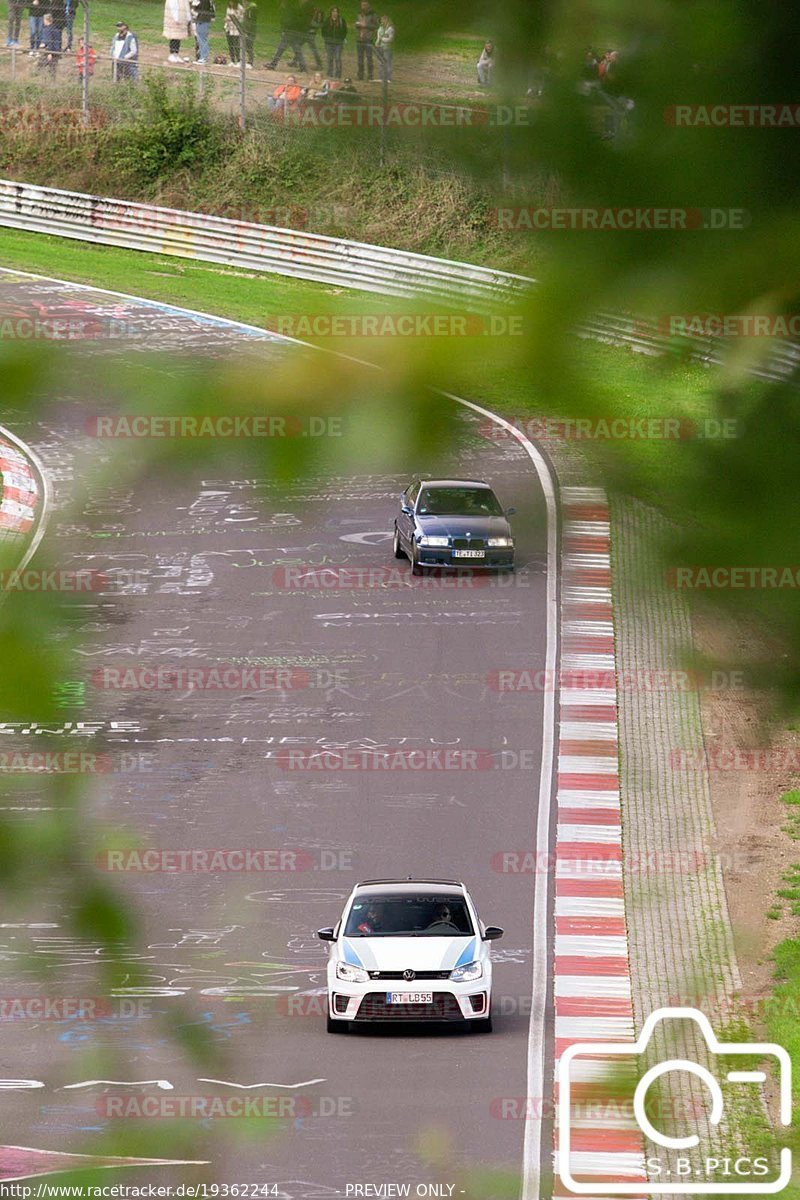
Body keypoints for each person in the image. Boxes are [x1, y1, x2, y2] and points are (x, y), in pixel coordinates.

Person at [266, 0, 305, 72]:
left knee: (281, 49)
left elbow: (288, 22)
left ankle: (273, 64)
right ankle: (303, 67)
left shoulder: (288, 10)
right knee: (296, 50)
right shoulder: (290, 9)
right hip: (292, 32)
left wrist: (284, 30)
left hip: (289, 33)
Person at [295, 1, 322, 68]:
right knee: (297, 46)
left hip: (310, 34)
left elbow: (318, 24)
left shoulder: (316, 11)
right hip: (306, 33)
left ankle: (319, 64)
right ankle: (294, 61)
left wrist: (310, 25)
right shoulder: (309, 10)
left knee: (312, 49)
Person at [354, 0, 376, 80]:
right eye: (362, 5)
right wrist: (357, 25)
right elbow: (357, 23)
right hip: (359, 39)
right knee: (360, 59)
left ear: (368, 5)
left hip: (368, 39)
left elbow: (375, 26)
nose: (363, 6)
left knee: (369, 58)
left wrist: (366, 25)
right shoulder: (359, 13)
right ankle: (360, 75)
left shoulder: (373, 14)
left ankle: (370, 75)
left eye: (365, 5)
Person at [321, 5, 345, 79]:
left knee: (337, 58)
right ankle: (330, 73)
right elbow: (323, 30)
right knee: (330, 58)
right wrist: (326, 38)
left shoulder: (341, 20)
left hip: (338, 43)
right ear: (331, 12)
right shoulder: (327, 20)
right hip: (329, 43)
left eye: (336, 11)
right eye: (333, 11)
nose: (335, 13)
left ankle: (338, 74)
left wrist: (341, 38)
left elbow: (345, 31)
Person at [190, 0, 215, 65]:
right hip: (204, 20)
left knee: (202, 39)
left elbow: (194, 11)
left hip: (202, 20)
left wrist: (195, 15)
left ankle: (203, 58)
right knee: (201, 39)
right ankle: (202, 57)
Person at [374, 12, 392, 83]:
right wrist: (377, 42)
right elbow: (378, 37)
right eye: (381, 20)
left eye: (384, 20)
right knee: (381, 62)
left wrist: (382, 39)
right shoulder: (380, 28)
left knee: (387, 62)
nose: (382, 21)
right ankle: (381, 77)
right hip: (380, 47)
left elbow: (390, 39)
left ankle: (388, 78)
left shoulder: (390, 28)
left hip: (387, 48)